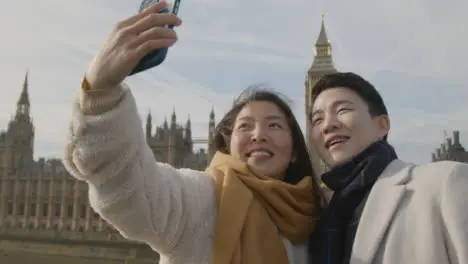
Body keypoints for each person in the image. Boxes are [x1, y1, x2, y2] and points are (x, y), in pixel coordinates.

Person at [62, 2, 324, 264]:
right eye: (244, 126)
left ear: (294, 150)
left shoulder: (315, 223)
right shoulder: (199, 202)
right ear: (227, 146)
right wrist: (100, 93)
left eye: (274, 125)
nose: (259, 134)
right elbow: (130, 188)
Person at [308, 72, 468, 264]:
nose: (328, 125)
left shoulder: (445, 183)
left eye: (342, 110)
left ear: (383, 125)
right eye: (317, 120)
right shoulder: (323, 220)